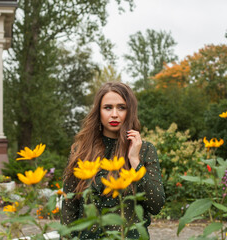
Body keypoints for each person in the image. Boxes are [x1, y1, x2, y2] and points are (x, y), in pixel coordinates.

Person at [61, 82, 165, 239]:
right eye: (108, 107)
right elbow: (69, 205)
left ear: (130, 111)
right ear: (99, 111)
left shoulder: (145, 150)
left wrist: (134, 160)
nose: (114, 114)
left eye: (121, 107)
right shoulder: (81, 150)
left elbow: (156, 204)